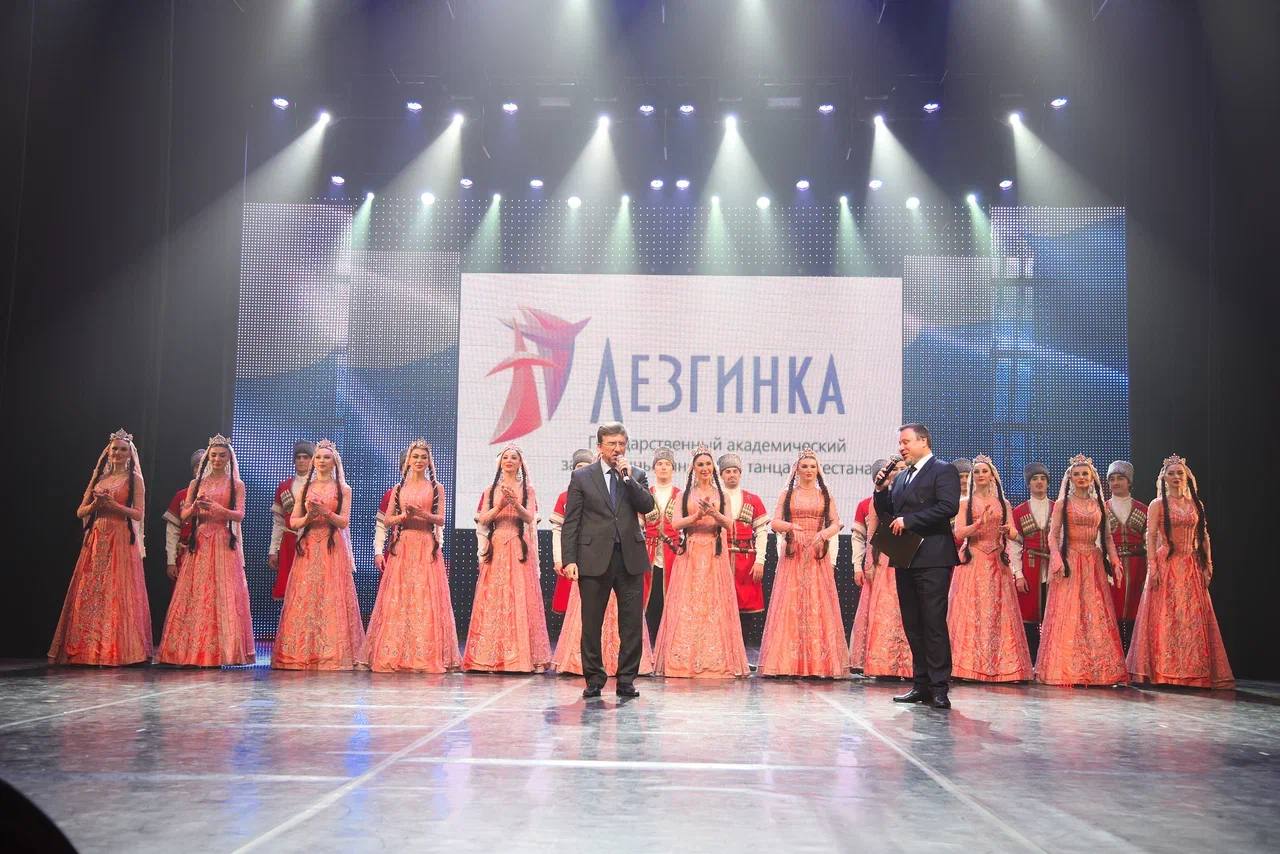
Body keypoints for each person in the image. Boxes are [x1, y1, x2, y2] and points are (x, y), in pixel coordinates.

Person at [561, 423, 656, 697]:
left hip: (629, 559)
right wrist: (569, 559)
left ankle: (626, 680)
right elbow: (572, 521)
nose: (617, 449)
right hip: (593, 558)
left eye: (621, 444)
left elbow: (647, 506)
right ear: (600, 446)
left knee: (631, 624)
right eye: (612, 444)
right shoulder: (582, 477)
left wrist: (628, 479)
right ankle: (594, 679)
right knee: (592, 623)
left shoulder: (636, 474)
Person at [872, 423, 961, 709]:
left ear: (923, 441)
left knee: (933, 622)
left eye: (906, 442)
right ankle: (920, 684)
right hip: (906, 556)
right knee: (913, 624)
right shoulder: (901, 477)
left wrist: (910, 521)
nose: (901, 448)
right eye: (900, 443)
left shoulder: (942, 470)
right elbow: (889, 513)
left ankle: (939, 687)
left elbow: (948, 507)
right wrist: (880, 491)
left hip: (933, 557)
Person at [1127, 455, 1233, 689]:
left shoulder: (1196, 504)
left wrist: (1208, 564)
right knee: (1167, 615)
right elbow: (1151, 536)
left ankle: (1192, 671)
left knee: (1191, 617)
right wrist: (1153, 567)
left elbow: (1203, 535)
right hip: (1167, 563)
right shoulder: (1157, 504)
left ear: (1186, 477)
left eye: (1179, 473)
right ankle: (1164, 671)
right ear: (1164, 478)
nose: (1176, 477)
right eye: (1171, 473)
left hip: (1191, 564)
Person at [49, 429, 152, 665]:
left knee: (116, 590)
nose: (118, 453)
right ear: (108, 451)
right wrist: (96, 504)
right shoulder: (99, 478)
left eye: (123, 450)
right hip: (97, 537)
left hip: (120, 537)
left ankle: (115, 649)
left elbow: (138, 514)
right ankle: (86, 648)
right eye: (115, 449)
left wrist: (114, 505)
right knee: (91, 590)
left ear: (130, 454)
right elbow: (80, 511)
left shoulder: (135, 479)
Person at [360, 440, 460, 673]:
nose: (419, 461)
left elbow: (441, 519)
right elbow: (387, 521)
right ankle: (396, 652)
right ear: (407, 461)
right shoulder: (398, 489)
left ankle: (423, 654)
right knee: (400, 598)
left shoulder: (437, 488)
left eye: (423, 457)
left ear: (429, 461)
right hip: (403, 546)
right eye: (415, 457)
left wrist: (423, 514)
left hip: (426, 545)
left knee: (425, 599)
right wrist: (404, 516)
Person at [156, 434, 255, 666]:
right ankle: (192, 648)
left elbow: (240, 515)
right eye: (214, 455)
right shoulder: (196, 483)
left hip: (222, 540)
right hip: (199, 541)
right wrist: (194, 508)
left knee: (222, 592)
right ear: (208, 458)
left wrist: (220, 510)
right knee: (198, 592)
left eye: (222, 455)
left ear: (229, 458)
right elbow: (183, 515)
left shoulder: (237, 484)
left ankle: (223, 649)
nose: (217, 459)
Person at [651, 447, 750, 679]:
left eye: (708, 464)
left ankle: (714, 659)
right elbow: (675, 524)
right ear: (693, 469)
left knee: (713, 603)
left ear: (713, 467)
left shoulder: (722, 496)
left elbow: (729, 524)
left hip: (715, 554)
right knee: (689, 603)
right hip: (691, 552)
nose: (705, 468)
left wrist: (714, 514)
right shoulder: (684, 495)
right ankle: (683, 659)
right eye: (700, 464)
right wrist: (696, 517)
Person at [271, 440, 366, 670]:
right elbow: (293, 521)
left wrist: (326, 512)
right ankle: (304, 651)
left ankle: (332, 652)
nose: (322, 461)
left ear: (334, 462)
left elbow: (344, 522)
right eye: (319, 457)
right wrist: (309, 518)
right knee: (307, 596)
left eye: (327, 457)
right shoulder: (306, 488)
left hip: (332, 547)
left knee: (331, 596)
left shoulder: (343, 489)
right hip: (309, 546)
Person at [1035, 455, 1127, 686]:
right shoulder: (1063, 504)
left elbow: (1107, 537)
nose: (1081, 477)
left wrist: (1115, 561)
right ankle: (1067, 667)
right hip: (1070, 560)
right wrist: (1056, 558)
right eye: (1076, 474)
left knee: (1094, 612)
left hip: (1093, 561)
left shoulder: (1099, 505)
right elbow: (1052, 536)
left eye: (1085, 474)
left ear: (1092, 477)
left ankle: (1096, 668)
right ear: (1071, 478)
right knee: (1069, 612)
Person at [758, 449, 848, 677]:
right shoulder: (787, 495)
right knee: (790, 603)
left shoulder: (825, 495)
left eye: (812, 466)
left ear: (818, 470)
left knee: (817, 602)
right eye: (804, 466)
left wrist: (824, 534)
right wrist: (791, 527)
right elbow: (775, 523)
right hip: (794, 553)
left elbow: (836, 523)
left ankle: (818, 664)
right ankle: (786, 663)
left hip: (816, 553)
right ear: (796, 470)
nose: (809, 470)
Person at [463, 446, 552, 672]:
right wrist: (500, 506)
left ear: (520, 463)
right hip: (496, 545)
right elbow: (483, 519)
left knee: (520, 597)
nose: (509, 460)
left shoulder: (528, 489)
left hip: (519, 545)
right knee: (495, 597)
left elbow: (530, 518)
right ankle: (491, 655)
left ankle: (521, 656)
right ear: (500, 462)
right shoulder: (490, 489)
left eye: (514, 457)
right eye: (506, 457)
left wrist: (515, 504)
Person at [947, 455, 1033, 682]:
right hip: (973, 561)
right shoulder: (964, 503)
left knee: (998, 614)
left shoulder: (1003, 504)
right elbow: (958, 533)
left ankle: (1003, 667)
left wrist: (1009, 532)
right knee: (972, 613)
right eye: (976, 472)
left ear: (993, 475)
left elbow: (1016, 536)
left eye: (984, 471)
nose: (980, 475)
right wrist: (977, 524)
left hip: (997, 563)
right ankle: (967, 667)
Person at [718, 454, 770, 625]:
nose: (731, 474)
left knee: (745, 611)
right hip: (720, 558)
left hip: (746, 561)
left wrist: (760, 561)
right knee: (720, 606)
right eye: (727, 471)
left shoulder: (753, 499)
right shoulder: (715, 498)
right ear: (721, 475)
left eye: (735, 471)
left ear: (740, 474)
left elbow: (761, 532)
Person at [1105, 460, 1148, 648]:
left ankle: (1133, 653)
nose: (1116, 482)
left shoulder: (1144, 509)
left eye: (1120, 478)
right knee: (1111, 610)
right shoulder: (1101, 509)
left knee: (1135, 610)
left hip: (1137, 566)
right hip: (1110, 566)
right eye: (1112, 479)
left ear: (1129, 482)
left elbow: (1150, 541)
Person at [1010, 463, 1054, 641]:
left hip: (1053, 567)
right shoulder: (1019, 511)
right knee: (1029, 615)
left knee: (1055, 614)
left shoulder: (1058, 508)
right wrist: (1018, 575)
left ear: (1048, 483)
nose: (1039, 482)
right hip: (1030, 567)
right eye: (1035, 479)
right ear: (1028, 484)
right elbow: (1014, 546)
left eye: (1043, 479)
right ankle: (1032, 654)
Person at [549, 450, 595, 615]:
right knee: (573, 605)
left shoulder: (601, 496)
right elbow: (557, 529)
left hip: (595, 554)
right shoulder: (564, 497)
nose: (583, 470)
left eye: (587, 467)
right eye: (579, 466)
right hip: (572, 554)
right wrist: (559, 558)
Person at [642, 447, 681, 643]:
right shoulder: (645, 494)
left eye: (667, 464)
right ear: (654, 468)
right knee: (650, 599)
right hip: (648, 553)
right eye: (659, 464)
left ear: (673, 468)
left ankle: (668, 644)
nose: (663, 467)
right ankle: (649, 644)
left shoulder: (681, 494)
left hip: (674, 554)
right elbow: (638, 521)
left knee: (672, 599)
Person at [268, 441, 314, 600]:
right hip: (289, 543)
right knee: (290, 589)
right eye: (298, 457)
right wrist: (273, 550)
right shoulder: (284, 486)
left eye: (306, 457)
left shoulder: (317, 486)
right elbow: (278, 522)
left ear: (312, 460)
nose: (301, 460)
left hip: (311, 541)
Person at [162, 449, 206, 582]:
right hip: (184, 554)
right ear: (193, 470)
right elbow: (172, 531)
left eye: (205, 465)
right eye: (198, 466)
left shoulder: (221, 495)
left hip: (209, 553)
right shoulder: (181, 496)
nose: (202, 469)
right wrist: (171, 561)